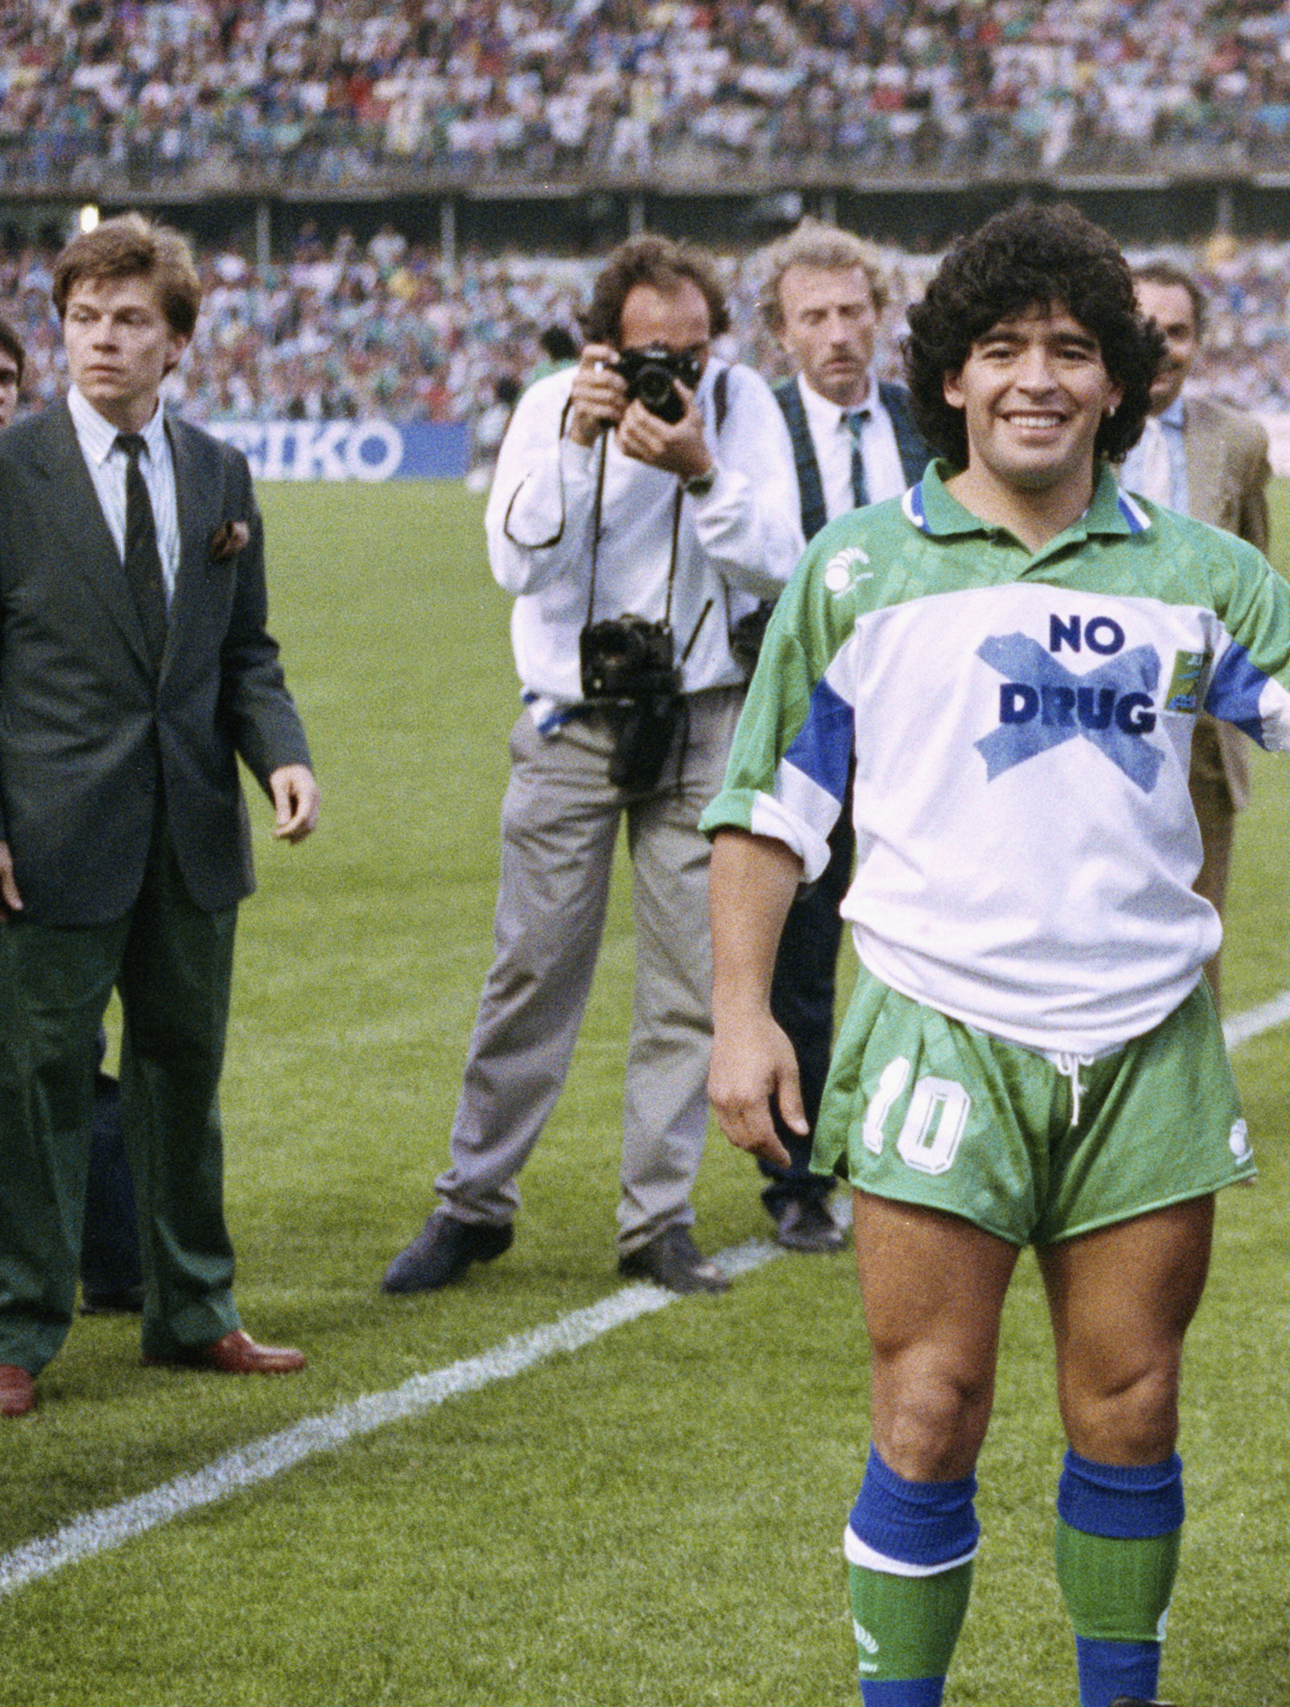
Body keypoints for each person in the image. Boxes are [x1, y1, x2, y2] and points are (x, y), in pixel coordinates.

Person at [700, 202, 1290, 1707]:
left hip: (1144, 1042)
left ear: (1119, 382)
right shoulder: (860, 573)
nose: (1038, 379)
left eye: (1072, 350)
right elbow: (762, 814)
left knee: (1129, 1401)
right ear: (951, 376)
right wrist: (744, 1015)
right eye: (1005, 349)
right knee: (931, 1404)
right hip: (936, 1032)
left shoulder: (1197, 567)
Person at [380, 235, 802, 1298]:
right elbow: (519, 562)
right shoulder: (546, 409)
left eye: (695, 352)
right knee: (533, 967)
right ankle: (473, 1202)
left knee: (689, 984)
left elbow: (780, 565)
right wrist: (579, 443)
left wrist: (700, 468)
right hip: (573, 721)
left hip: (705, 717)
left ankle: (656, 1218)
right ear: (603, 349)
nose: (676, 376)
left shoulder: (744, 410)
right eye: (652, 355)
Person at [0, 216, 323, 1422]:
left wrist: (279, 758)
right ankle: (19, 1325)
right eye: (84, 318)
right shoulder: (10, 469)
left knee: (182, 1072)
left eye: (131, 320)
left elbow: (248, 653)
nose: (102, 340)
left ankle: (193, 1310)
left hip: (190, 833)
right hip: (46, 838)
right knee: (34, 1079)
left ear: (177, 340)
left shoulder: (217, 474)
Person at [750, 220, 934, 1255]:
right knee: (802, 959)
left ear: (880, 315)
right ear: (781, 334)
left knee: (923, 943)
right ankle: (798, 1178)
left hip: (921, 726)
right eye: (813, 317)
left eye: (852, 311)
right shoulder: (758, 429)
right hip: (809, 726)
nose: (837, 334)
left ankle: (913, 1150)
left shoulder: (926, 422)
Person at [1123, 262, 1274, 997]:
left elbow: (1254, 577)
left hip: (1203, 737)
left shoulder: (1239, 440)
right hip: (1097, 720)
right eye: (1144, 330)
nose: (1160, 347)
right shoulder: (1074, 431)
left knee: (1198, 938)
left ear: (1198, 343)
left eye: (1177, 332)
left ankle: (1198, 1104)